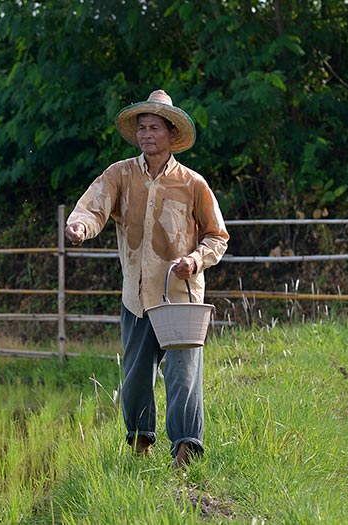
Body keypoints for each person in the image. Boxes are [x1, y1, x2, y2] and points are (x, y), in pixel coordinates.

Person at [65, 89, 229, 469]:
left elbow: (217, 236)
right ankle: (140, 449)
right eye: (141, 128)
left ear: (172, 135)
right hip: (136, 298)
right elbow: (93, 207)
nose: (146, 135)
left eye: (154, 127)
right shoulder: (121, 174)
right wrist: (79, 227)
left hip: (180, 300)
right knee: (136, 378)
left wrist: (194, 259)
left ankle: (186, 453)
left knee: (182, 377)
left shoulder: (193, 184)